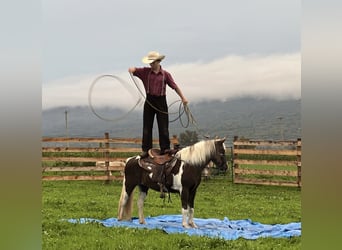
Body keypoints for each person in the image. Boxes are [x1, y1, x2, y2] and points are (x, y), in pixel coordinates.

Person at [128, 51, 188, 158]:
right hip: (149, 101)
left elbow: (175, 86)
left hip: (161, 101)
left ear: (158, 61)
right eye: (150, 62)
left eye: (153, 62)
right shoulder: (145, 72)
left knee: (163, 127)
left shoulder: (166, 75)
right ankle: (146, 150)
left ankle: (165, 148)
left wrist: (183, 98)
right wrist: (132, 69)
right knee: (147, 127)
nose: (150, 64)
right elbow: (134, 70)